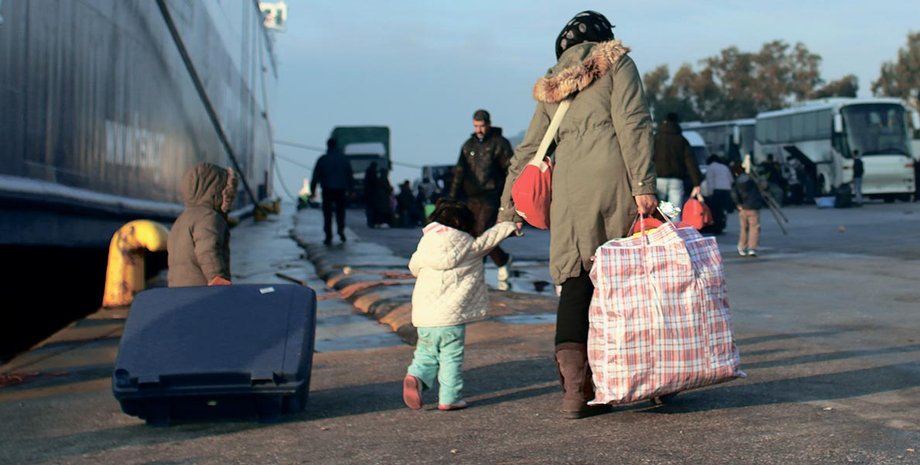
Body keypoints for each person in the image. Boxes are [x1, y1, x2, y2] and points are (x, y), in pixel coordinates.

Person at [497, 10, 658, 419]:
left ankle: (575, 391)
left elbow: (530, 149)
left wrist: (508, 207)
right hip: (613, 176)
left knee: (575, 279)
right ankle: (649, 378)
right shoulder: (618, 62)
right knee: (625, 279)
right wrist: (643, 185)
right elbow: (633, 122)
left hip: (568, 187)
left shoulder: (553, 85)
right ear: (604, 40)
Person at [402, 199, 518, 411]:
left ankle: (416, 377)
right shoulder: (469, 246)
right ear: (464, 224)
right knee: (451, 356)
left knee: (425, 352)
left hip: (425, 317)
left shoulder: (425, 244)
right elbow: (490, 239)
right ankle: (449, 397)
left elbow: (413, 267)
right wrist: (510, 225)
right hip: (451, 319)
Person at [449, 109, 515, 283]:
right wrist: (452, 197)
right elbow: (460, 171)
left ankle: (487, 266)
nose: (478, 129)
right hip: (472, 196)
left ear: (488, 124)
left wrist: (509, 196)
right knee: (472, 233)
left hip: (492, 195)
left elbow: (510, 170)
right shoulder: (468, 146)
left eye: (481, 126)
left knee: (482, 232)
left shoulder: (499, 144)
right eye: (476, 126)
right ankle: (496, 262)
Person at [167, 162, 238, 287]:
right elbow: (208, 252)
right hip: (202, 293)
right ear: (217, 191)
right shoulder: (209, 217)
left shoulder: (181, 219)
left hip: (177, 291)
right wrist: (220, 282)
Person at [310, 138, 353, 245]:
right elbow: (350, 175)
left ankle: (328, 235)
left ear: (327, 146)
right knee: (340, 212)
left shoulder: (322, 159)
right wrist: (351, 190)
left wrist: (313, 191)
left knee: (327, 214)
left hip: (327, 189)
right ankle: (341, 231)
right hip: (341, 190)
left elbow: (315, 176)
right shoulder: (344, 159)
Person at [654, 112, 702, 207]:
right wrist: (696, 182)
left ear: (664, 122)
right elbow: (690, 162)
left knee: (660, 213)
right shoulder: (682, 140)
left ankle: (663, 220)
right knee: (675, 213)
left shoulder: (656, 139)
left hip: (658, 180)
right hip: (676, 181)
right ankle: (673, 220)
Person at [731, 165, 765, 257]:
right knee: (754, 227)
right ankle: (752, 248)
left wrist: (738, 204)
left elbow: (734, 194)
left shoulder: (736, 182)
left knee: (743, 228)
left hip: (743, 208)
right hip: (753, 207)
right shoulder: (752, 180)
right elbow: (763, 188)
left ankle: (742, 246)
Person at [702, 155, 733, 234]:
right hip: (727, 190)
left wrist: (709, 193)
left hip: (717, 190)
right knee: (723, 209)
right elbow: (731, 179)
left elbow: (710, 181)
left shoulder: (711, 168)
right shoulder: (724, 167)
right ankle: (723, 225)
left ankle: (717, 227)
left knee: (716, 210)